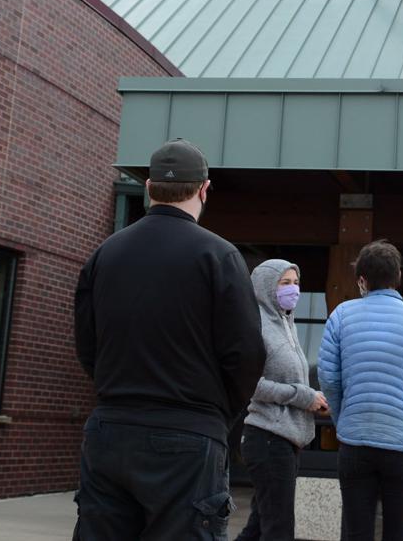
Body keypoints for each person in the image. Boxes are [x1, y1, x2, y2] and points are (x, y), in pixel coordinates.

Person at [73, 139, 266, 540]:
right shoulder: (220, 257)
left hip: (111, 429)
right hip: (188, 435)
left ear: (148, 187)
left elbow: (87, 346)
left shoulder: (105, 254)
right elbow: (246, 355)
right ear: (204, 189)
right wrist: (215, 415)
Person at [318, 240, 403, 541]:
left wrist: (344, 420)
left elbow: (329, 378)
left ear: (361, 280)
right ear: (398, 276)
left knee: (356, 532)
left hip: (355, 442)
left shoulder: (340, 315)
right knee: (399, 533)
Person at [234, 260, 327, 541]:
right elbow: (250, 384)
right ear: (265, 288)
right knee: (279, 529)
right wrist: (303, 396)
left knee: (260, 526)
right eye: (285, 283)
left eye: (296, 283)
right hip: (268, 438)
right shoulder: (255, 326)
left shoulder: (288, 325)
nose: (293, 290)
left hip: (286, 440)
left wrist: (313, 399)